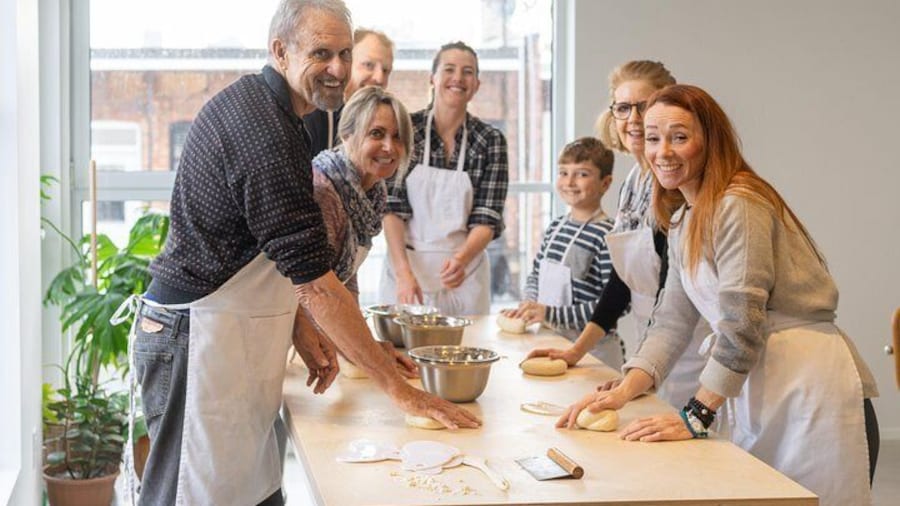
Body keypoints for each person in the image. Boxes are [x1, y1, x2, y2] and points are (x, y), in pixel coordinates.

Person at [130, 2, 479, 505]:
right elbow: (315, 282)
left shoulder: (282, 116)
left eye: (344, 53)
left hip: (229, 338)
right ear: (280, 51)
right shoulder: (264, 132)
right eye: (321, 53)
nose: (338, 68)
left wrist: (300, 327)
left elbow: (273, 252)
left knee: (253, 493)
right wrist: (399, 389)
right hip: (199, 339)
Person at [558, 84, 879, 506]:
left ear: (710, 140)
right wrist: (622, 390)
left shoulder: (739, 203)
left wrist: (697, 414)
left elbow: (743, 322)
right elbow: (670, 321)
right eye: (653, 138)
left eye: (679, 137)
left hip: (810, 389)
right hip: (761, 390)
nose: (662, 152)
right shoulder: (684, 220)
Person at [527, 61, 709, 408]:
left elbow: (671, 292)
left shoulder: (675, 187)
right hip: (649, 335)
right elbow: (619, 283)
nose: (633, 119)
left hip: (686, 342)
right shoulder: (633, 184)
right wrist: (576, 351)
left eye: (645, 106)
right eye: (623, 108)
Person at [379, 41, 509, 316]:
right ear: (433, 78)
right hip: (406, 269)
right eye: (449, 69)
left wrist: (461, 259)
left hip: (465, 274)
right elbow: (391, 208)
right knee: (399, 343)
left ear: (477, 85)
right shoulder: (406, 130)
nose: (458, 78)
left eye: (468, 72)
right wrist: (403, 273)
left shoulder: (490, 141)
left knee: (468, 341)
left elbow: (487, 216)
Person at [302, 85, 416, 377]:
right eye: (376, 134)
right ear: (347, 135)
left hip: (324, 330)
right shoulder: (324, 191)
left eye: (397, 136)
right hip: (296, 332)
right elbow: (315, 292)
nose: (389, 147)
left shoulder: (373, 193)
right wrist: (368, 356)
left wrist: (369, 346)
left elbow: (346, 279)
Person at [501, 137, 626, 366]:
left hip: (594, 352)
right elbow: (536, 275)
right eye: (563, 172)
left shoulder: (608, 236)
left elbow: (615, 304)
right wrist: (529, 304)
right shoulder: (555, 227)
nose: (569, 182)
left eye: (582, 174)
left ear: (605, 183)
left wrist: (551, 314)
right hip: (551, 338)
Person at [303, 28, 394, 154]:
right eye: (368, 65)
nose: (379, 78)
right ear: (345, 63)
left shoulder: (382, 124)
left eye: (385, 70)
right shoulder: (316, 114)